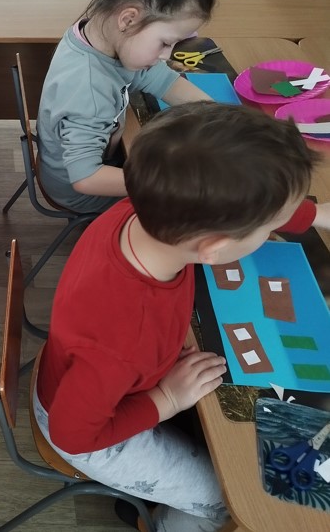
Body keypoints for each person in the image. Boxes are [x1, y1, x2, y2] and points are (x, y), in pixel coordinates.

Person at [34, 101, 330, 532]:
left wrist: (318, 214)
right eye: (268, 229)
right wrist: (167, 400)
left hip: (102, 379)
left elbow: (255, 194)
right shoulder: (123, 339)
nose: (273, 230)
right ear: (213, 249)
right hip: (88, 430)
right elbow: (72, 435)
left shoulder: (150, 210)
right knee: (229, 500)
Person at [36, 0, 216, 213]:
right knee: (187, 207)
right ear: (128, 19)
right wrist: (164, 184)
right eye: (165, 43)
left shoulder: (100, 32)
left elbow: (160, 79)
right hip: (81, 191)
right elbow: (86, 178)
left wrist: (216, 112)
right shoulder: (89, 91)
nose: (167, 55)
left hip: (95, 158)